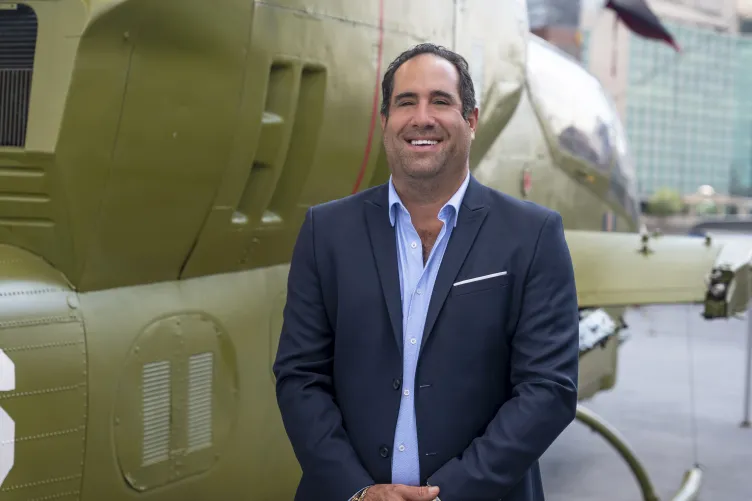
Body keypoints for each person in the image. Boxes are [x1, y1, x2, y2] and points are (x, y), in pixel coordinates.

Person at [273, 43, 580, 501]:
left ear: (471, 120)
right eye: (405, 102)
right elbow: (300, 375)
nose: (422, 118)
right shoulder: (326, 231)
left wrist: (447, 495)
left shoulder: (532, 234)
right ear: (385, 123)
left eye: (440, 101)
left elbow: (548, 390)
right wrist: (357, 491)